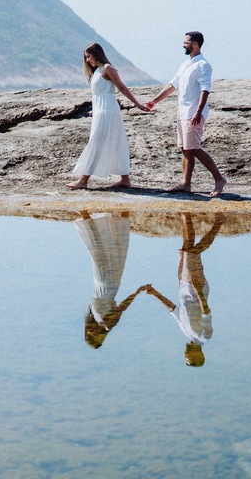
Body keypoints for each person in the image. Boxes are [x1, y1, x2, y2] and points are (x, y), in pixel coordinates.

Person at [144, 31, 227, 197]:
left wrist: (198, 111)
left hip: (193, 112)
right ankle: (185, 183)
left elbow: (205, 89)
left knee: (194, 148)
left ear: (195, 44)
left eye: (186, 42)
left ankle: (219, 179)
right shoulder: (185, 65)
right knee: (185, 148)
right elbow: (171, 86)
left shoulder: (203, 65)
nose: (183, 45)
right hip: (182, 112)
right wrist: (154, 101)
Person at [143, 212, 225, 366]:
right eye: (188, 356)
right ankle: (218, 223)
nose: (184, 353)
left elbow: (172, 309)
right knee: (193, 252)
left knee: (186, 247)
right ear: (197, 355)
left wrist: (155, 293)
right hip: (195, 287)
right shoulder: (205, 336)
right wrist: (198, 289)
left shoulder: (186, 332)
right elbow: (206, 312)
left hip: (182, 282)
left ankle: (185, 214)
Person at [67, 43, 148, 190]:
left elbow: (122, 87)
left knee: (97, 142)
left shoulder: (107, 68)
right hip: (100, 110)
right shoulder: (96, 71)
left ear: (97, 54)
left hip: (108, 110)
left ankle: (83, 180)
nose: (87, 60)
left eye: (88, 56)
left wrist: (137, 104)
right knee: (114, 141)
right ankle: (125, 179)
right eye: (85, 57)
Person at [74, 211, 148, 348]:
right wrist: (136, 293)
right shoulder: (107, 325)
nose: (90, 332)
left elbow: (119, 308)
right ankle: (91, 215)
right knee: (109, 250)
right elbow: (122, 308)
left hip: (102, 284)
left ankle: (88, 215)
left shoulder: (96, 320)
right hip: (108, 284)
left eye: (88, 335)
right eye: (92, 336)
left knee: (103, 249)